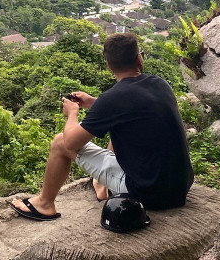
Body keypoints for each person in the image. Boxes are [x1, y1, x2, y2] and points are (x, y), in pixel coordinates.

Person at [10, 32, 193, 221]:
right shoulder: (159, 84)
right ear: (139, 59)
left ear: (108, 66)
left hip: (148, 194)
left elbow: (71, 143)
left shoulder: (113, 99)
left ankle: (44, 204)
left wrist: (72, 113)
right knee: (121, 127)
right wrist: (93, 103)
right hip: (179, 188)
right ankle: (102, 185)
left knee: (59, 142)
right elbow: (131, 108)